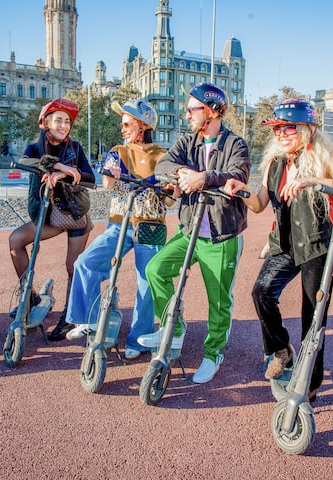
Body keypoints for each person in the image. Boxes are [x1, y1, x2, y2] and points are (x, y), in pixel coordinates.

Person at [225, 99, 333, 400]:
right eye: (277, 129)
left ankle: (310, 384)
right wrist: (242, 191)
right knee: (261, 292)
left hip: (316, 245)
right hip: (285, 244)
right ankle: (280, 349)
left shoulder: (324, 157)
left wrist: (314, 181)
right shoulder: (275, 163)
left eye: (289, 128)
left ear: (309, 129)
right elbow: (259, 204)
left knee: (313, 317)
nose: (281, 134)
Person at [137, 82, 250, 384]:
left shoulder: (235, 144)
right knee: (156, 269)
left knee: (219, 300)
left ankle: (213, 353)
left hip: (221, 236)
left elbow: (237, 174)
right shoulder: (188, 142)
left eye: (191, 109)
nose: (186, 115)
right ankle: (173, 329)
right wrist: (181, 173)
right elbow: (163, 165)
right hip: (190, 231)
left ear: (211, 111)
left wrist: (204, 178)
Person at [64, 99, 168, 360]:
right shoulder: (119, 151)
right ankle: (89, 320)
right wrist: (111, 172)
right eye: (122, 124)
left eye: (127, 124)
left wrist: (168, 188)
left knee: (146, 283)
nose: (122, 129)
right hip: (119, 224)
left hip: (150, 227)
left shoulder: (162, 156)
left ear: (143, 125)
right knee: (85, 263)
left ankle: (139, 339)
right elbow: (108, 182)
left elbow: (169, 200)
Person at [7, 98, 95, 341]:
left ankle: (70, 316)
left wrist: (65, 175)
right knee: (15, 241)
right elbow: (24, 162)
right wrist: (58, 166)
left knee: (72, 266)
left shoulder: (75, 147)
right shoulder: (35, 148)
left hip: (74, 214)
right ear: (45, 122)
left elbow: (90, 177)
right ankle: (31, 297)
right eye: (58, 120)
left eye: (67, 121)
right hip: (47, 215)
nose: (63, 125)